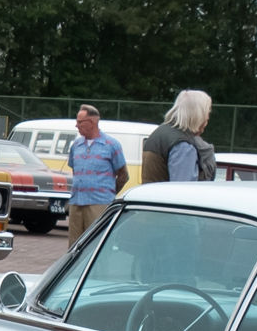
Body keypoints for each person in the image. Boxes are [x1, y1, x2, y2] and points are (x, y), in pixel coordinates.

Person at [64, 104, 128, 243]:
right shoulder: (76, 145)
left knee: (95, 242)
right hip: (76, 203)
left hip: (99, 204)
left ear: (92, 122)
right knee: (74, 245)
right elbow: (76, 172)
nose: (77, 125)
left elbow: (123, 175)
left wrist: (108, 195)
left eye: (80, 122)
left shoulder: (111, 145)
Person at [142, 89, 215, 183]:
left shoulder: (160, 132)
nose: (208, 118)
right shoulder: (183, 144)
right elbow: (183, 190)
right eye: (207, 113)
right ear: (199, 114)